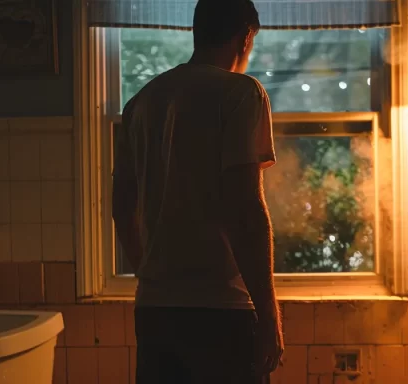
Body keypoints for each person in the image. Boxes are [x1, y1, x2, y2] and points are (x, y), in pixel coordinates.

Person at [111, 0, 283, 381]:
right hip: (221, 312)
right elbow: (246, 211)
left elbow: (122, 207)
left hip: (155, 313)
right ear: (246, 36)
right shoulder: (241, 93)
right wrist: (270, 318)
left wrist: (151, 275)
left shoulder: (140, 102)